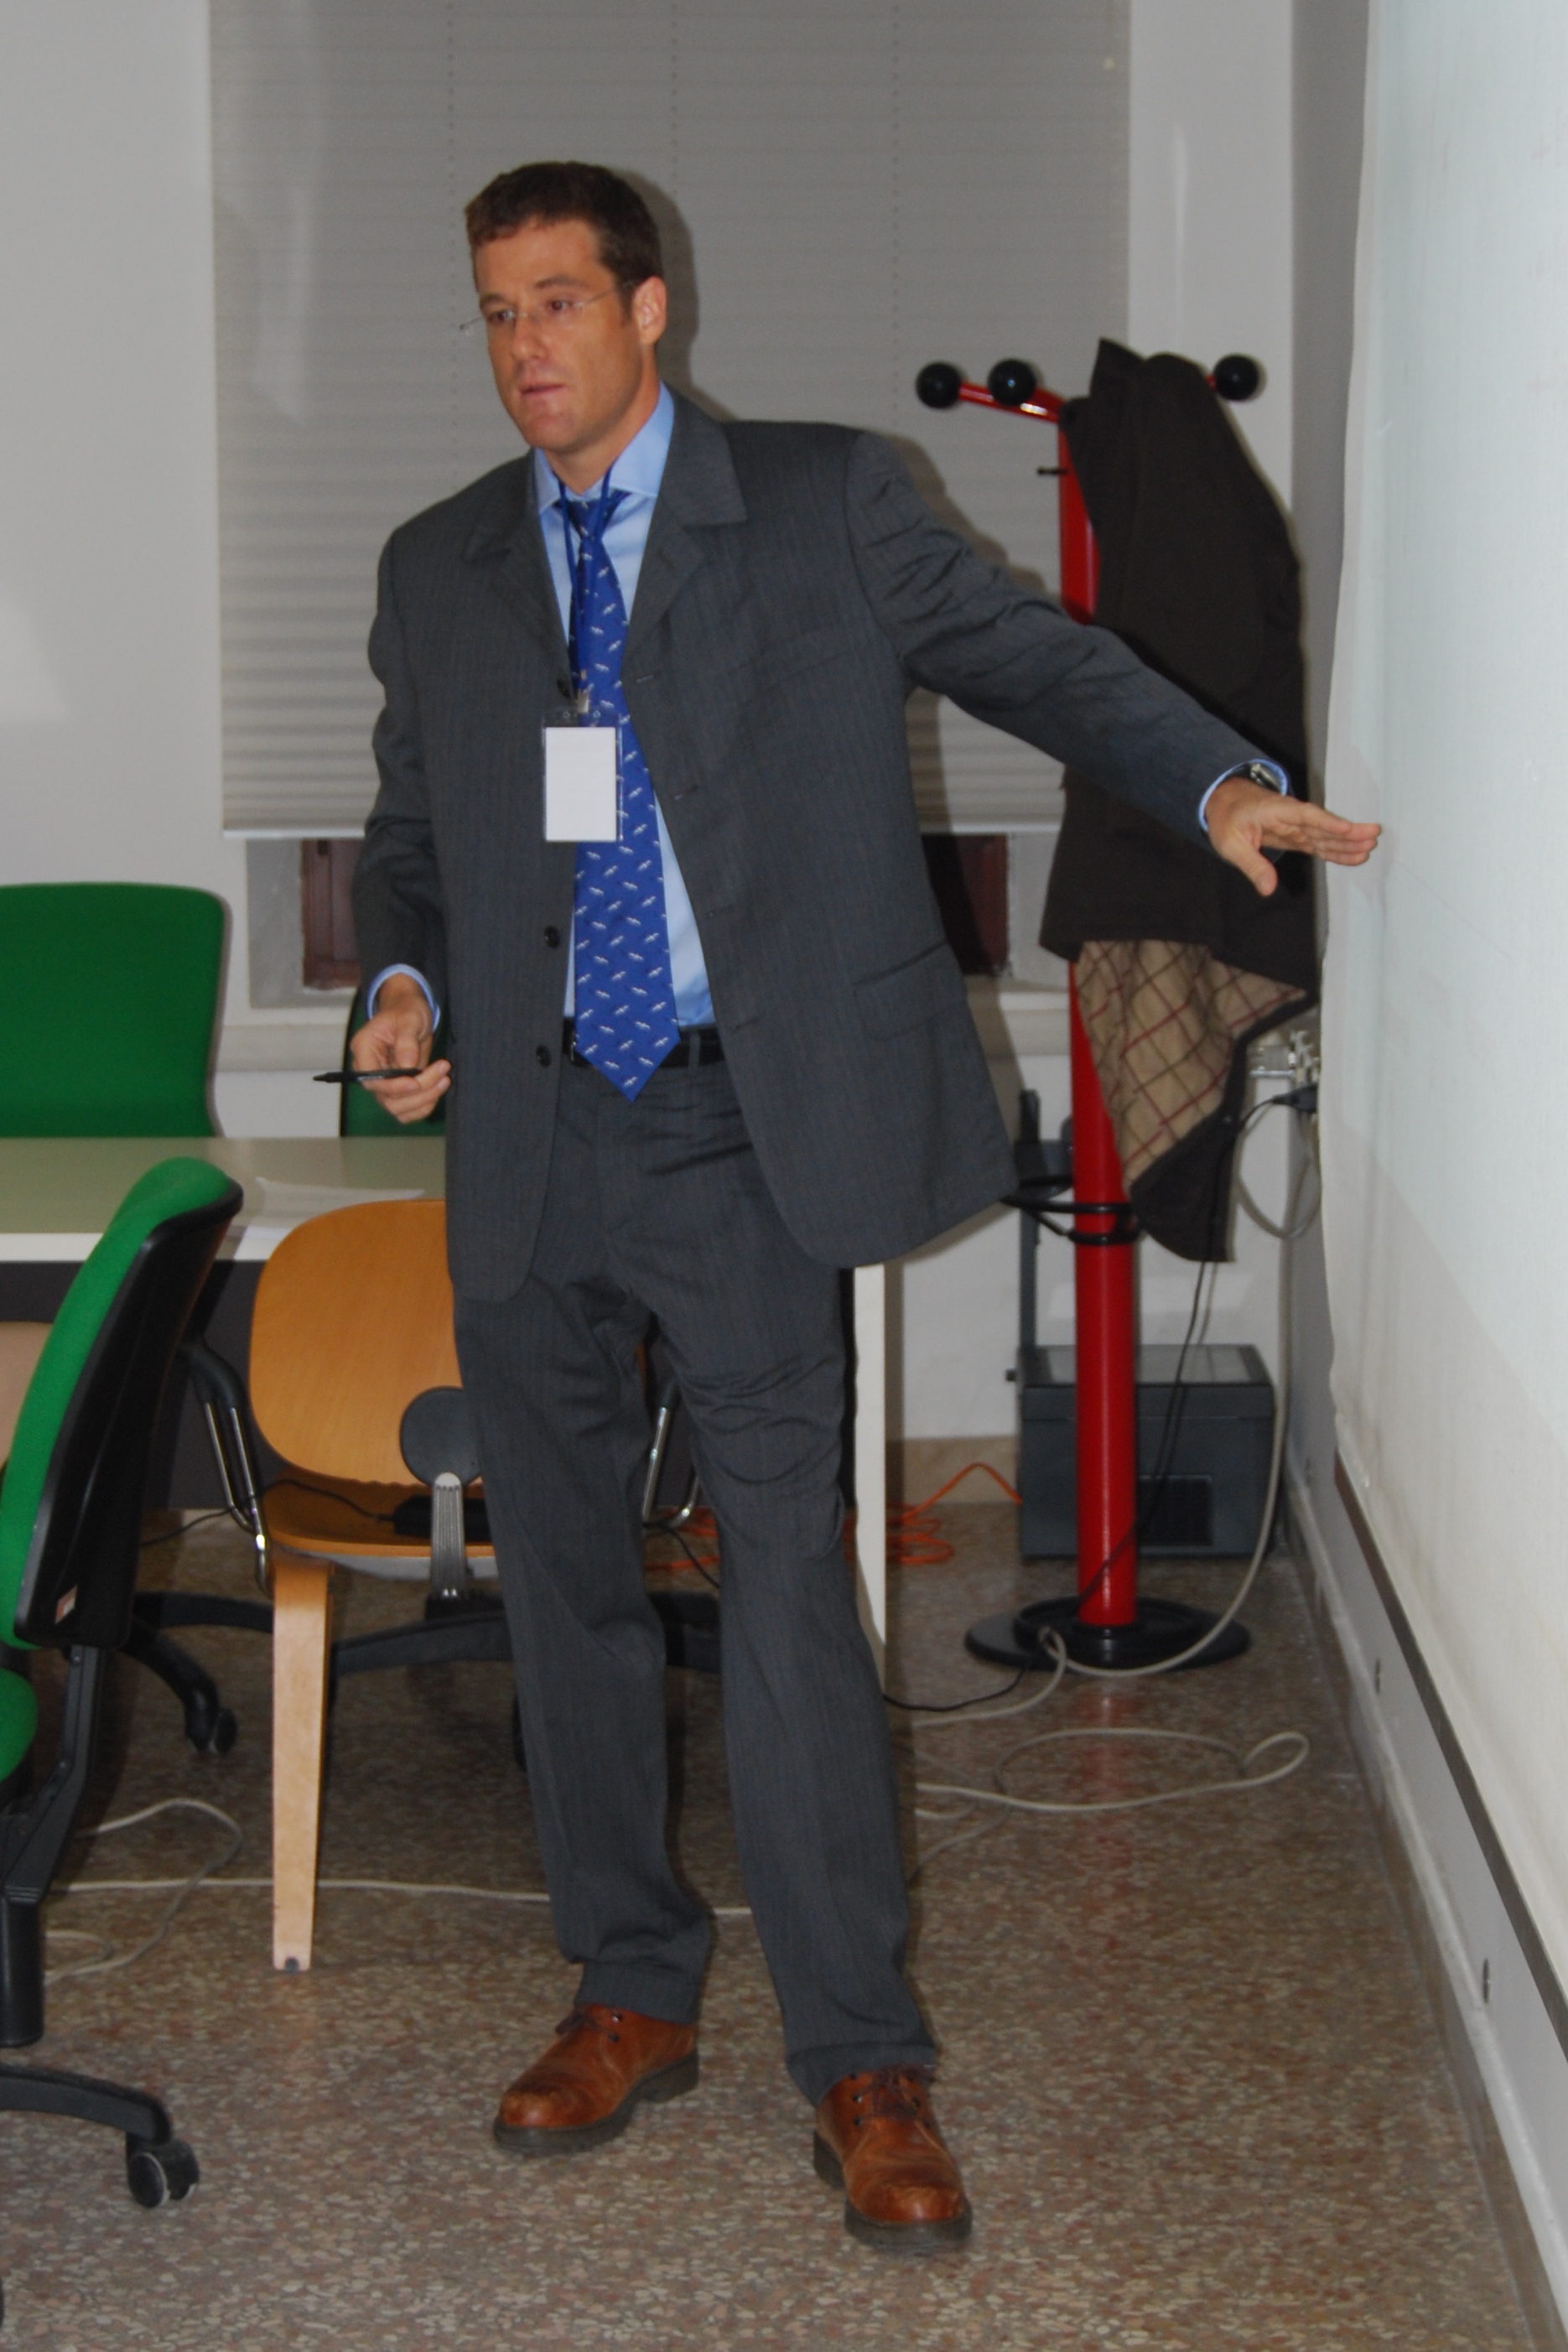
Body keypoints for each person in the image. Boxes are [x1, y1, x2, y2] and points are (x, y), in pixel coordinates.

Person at [351, 160, 1378, 2256]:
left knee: (790, 1589)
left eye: (560, 299)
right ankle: (630, 1983)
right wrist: (400, 983)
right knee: (564, 1581)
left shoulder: (820, 498)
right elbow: (413, 833)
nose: (526, 343)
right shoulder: (438, 558)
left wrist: (1208, 777)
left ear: (651, 307)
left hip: (742, 1129)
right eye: (495, 309)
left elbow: (1031, 655)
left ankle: (858, 2050)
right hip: (530, 1142)